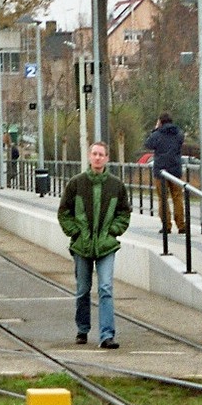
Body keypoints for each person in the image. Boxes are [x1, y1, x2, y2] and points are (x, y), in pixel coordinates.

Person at [57, 142, 130, 349]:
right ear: (89, 157)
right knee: (83, 289)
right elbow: (64, 212)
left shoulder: (116, 186)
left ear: (107, 158)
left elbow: (124, 213)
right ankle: (82, 329)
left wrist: (113, 231)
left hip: (106, 246)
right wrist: (76, 232)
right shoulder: (76, 183)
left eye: (101, 155)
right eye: (95, 154)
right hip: (82, 246)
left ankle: (107, 335)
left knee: (106, 288)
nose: (98, 158)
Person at [143, 112, 186, 234]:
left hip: (161, 171)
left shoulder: (157, 134)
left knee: (163, 198)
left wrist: (155, 129)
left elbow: (148, 144)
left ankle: (166, 226)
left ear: (160, 122)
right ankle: (181, 225)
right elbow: (180, 142)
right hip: (176, 169)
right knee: (177, 197)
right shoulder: (179, 134)